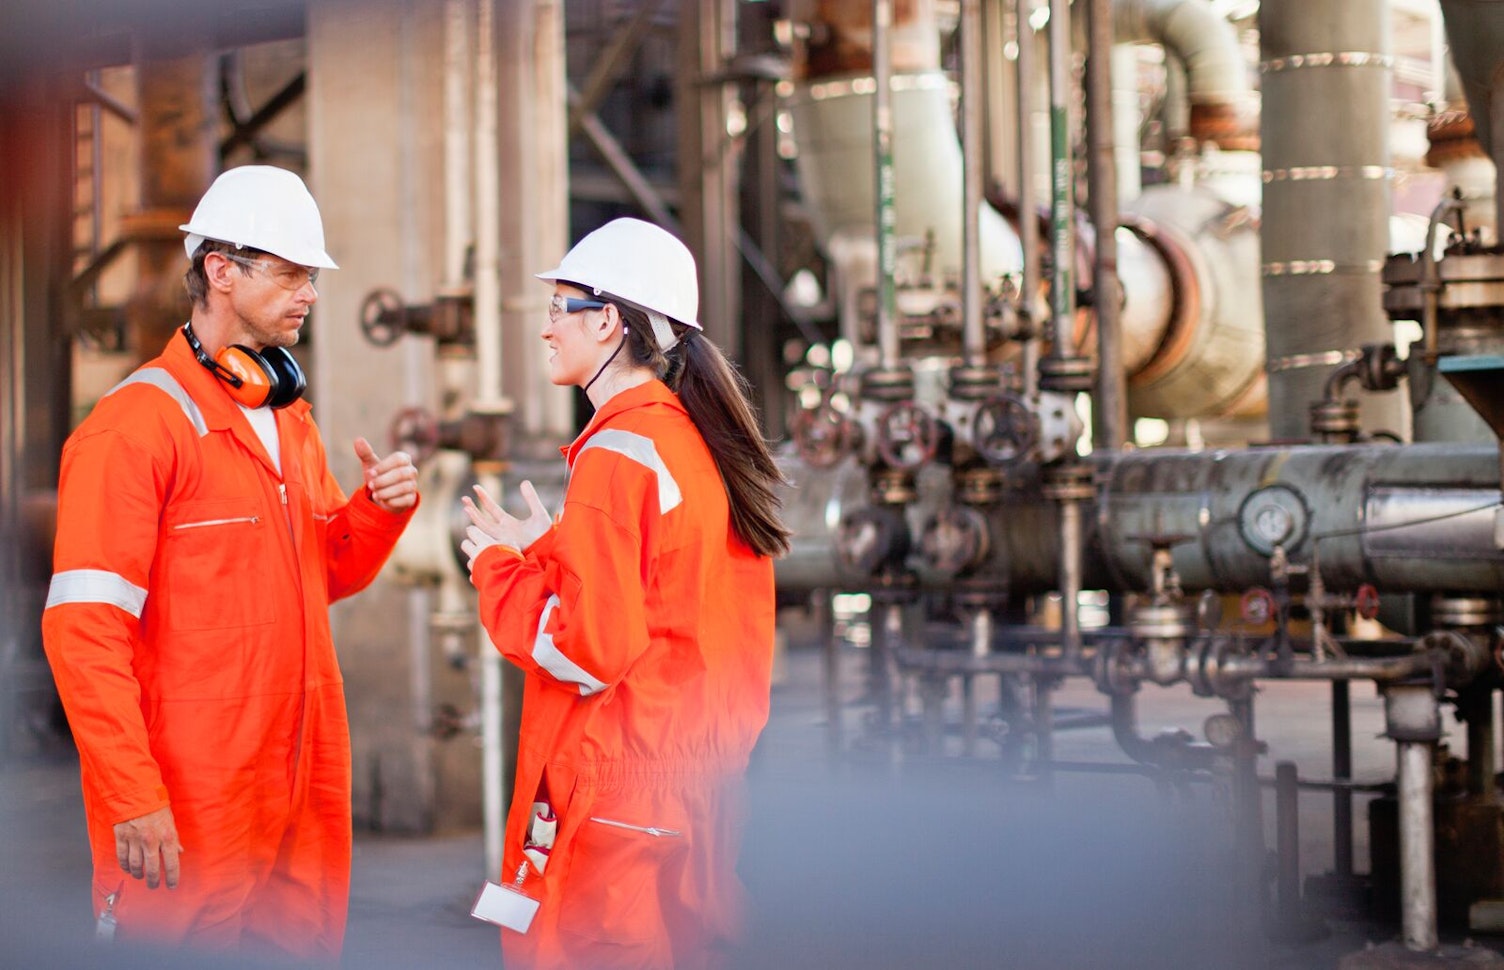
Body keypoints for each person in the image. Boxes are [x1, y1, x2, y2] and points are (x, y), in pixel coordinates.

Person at [41, 165, 419, 962]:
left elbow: (323, 575)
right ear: (221, 269)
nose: (309, 293)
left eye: (311, 277)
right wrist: (131, 794)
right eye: (289, 273)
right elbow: (84, 632)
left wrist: (375, 515)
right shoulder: (134, 431)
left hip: (300, 795)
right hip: (188, 807)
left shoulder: (289, 424)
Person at [461, 218, 790, 969]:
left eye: (557, 309)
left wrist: (501, 571)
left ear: (607, 320)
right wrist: (552, 550)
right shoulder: (689, 442)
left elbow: (588, 650)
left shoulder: (615, 453)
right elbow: (668, 597)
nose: (545, 330)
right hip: (689, 789)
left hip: (618, 793)